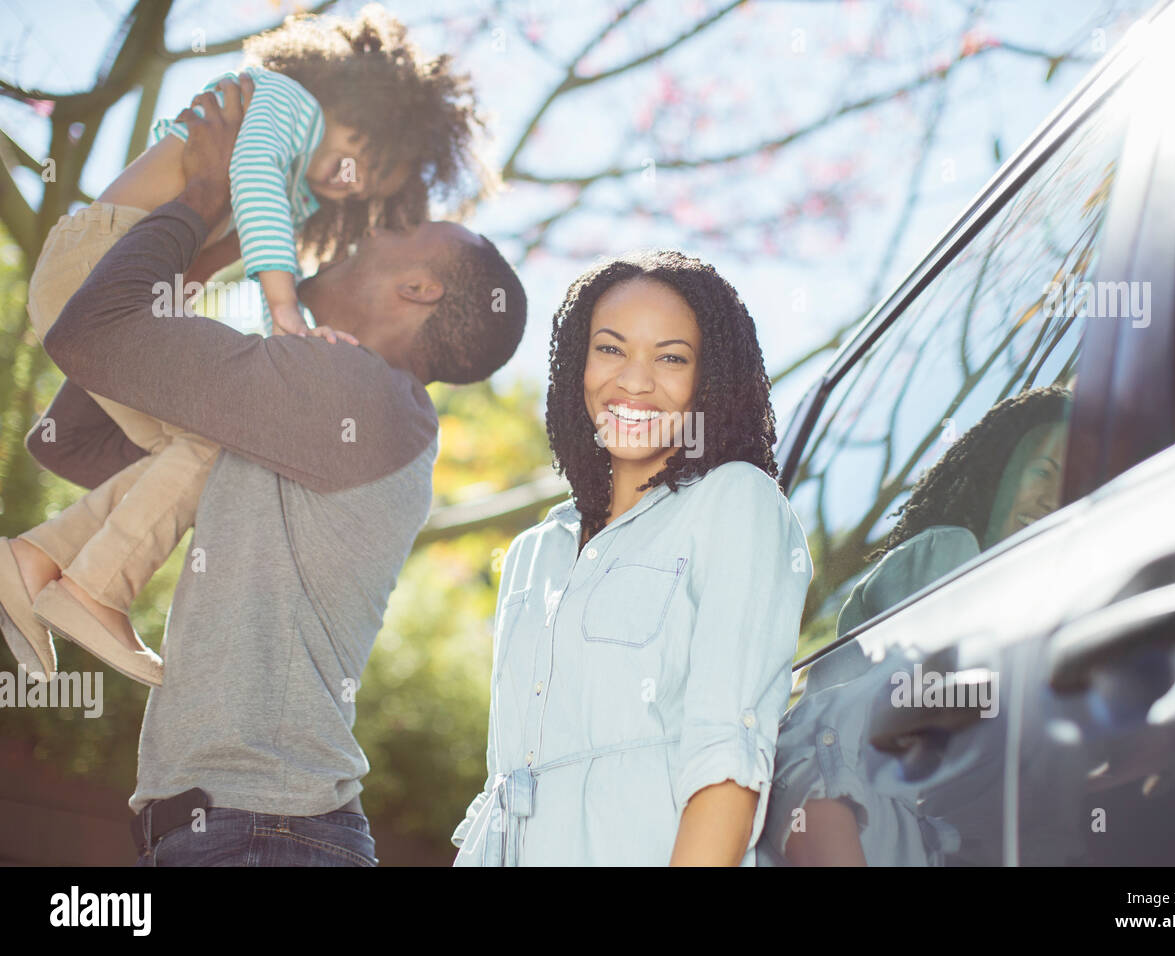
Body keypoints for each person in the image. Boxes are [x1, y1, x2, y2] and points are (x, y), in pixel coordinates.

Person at [1, 75, 527, 866]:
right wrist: (218, 237)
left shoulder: (351, 396)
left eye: (405, 227)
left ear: (419, 288)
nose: (373, 225)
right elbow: (69, 436)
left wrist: (208, 190)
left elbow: (91, 334)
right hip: (244, 833)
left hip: (265, 835)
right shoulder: (316, 402)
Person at [1, 4, 490, 687]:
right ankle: (91, 591)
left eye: (367, 184)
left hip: (136, 282)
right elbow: (254, 183)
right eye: (357, 154)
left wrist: (285, 335)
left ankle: (31, 563)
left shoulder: (309, 196)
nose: (348, 179)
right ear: (341, 98)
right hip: (98, 259)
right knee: (213, 436)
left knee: (211, 437)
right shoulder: (285, 102)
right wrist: (284, 306)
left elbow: (246, 260)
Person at [450, 251, 812, 865]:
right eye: (611, 349)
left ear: (709, 380)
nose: (635, 381)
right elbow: (501, 784)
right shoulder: (533, 554)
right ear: (577, 365)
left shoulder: (734, 500)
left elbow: (727, 755)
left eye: (671, 357)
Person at [767, 385, 1072, 866]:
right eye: (1042, 472)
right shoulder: (951, 553)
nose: (1054, 499)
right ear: (999, 475)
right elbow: (837, 739)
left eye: (1073, 485)